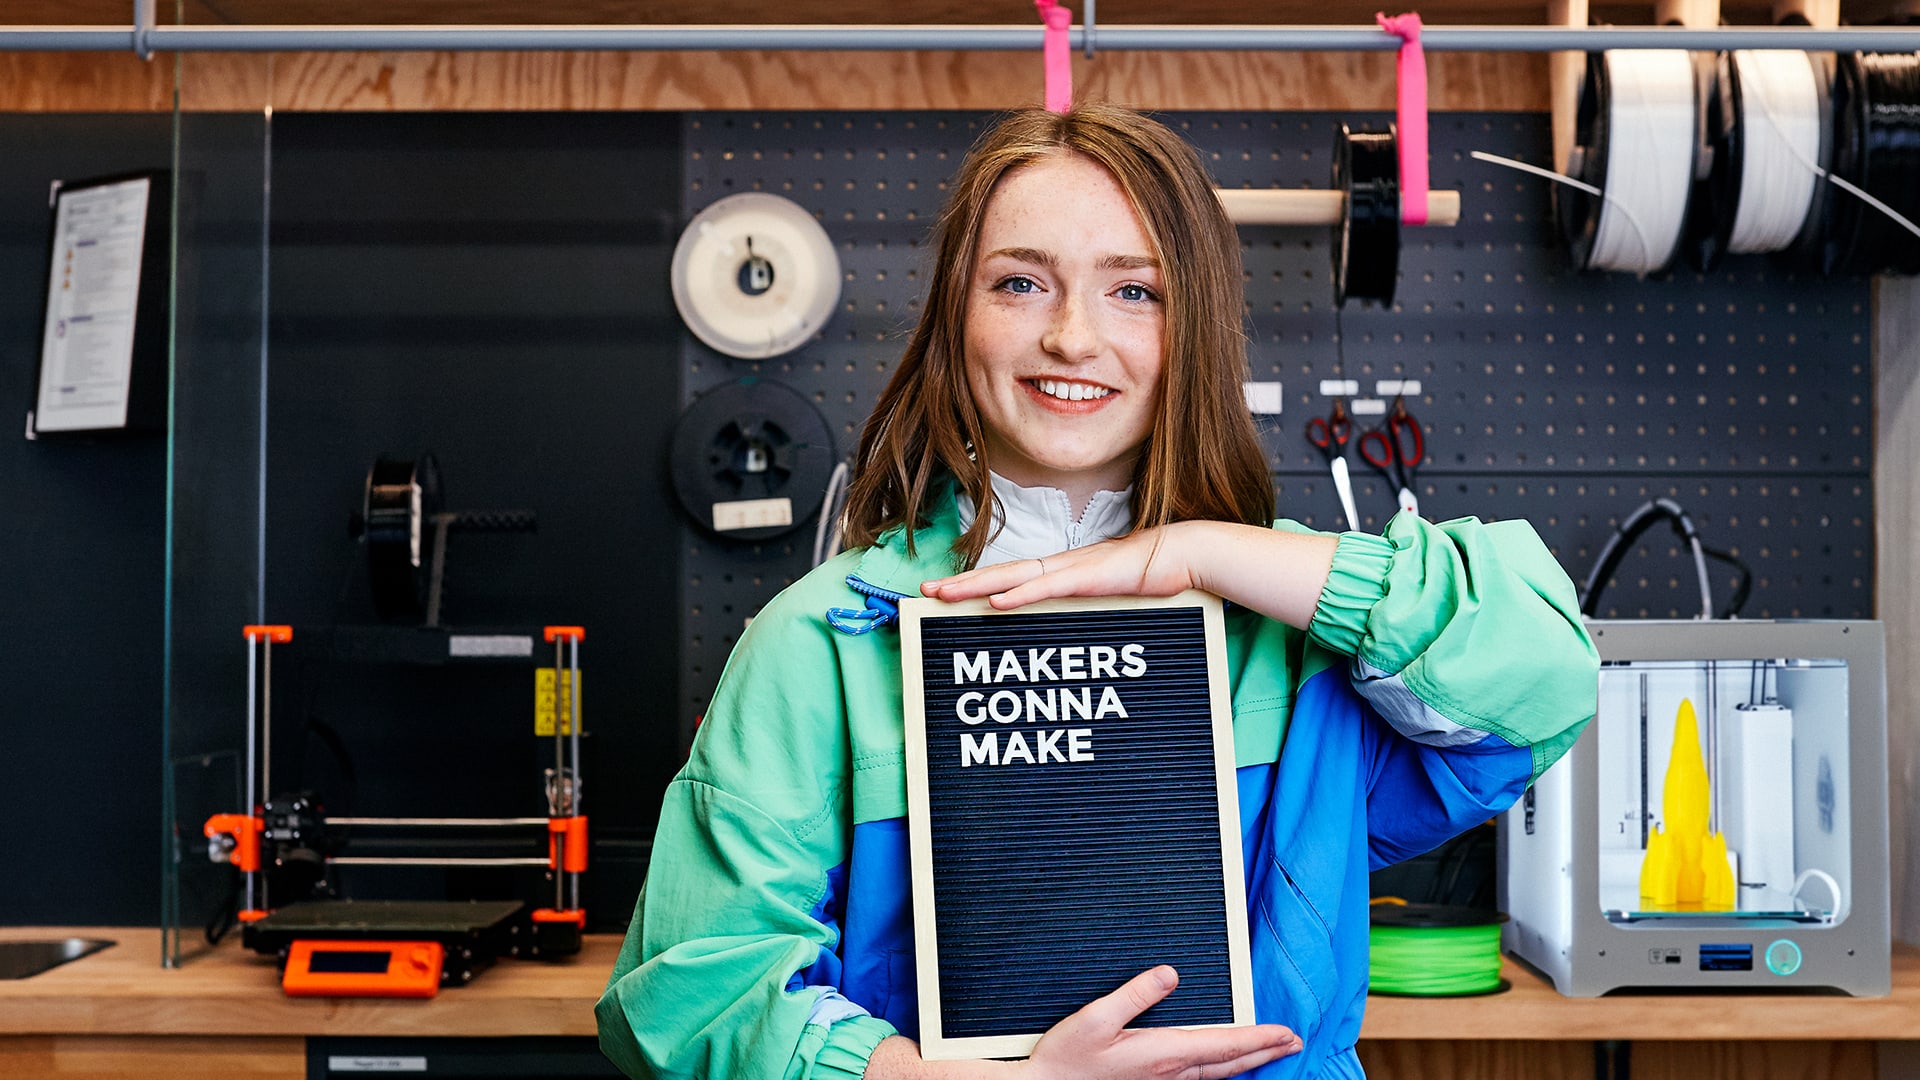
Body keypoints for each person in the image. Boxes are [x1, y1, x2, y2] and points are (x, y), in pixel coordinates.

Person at [597, 102, 1598, 1080]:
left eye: (1135, 291)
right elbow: (692, 997)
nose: (1073, 338)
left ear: (1193, 327)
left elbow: (1542, 685)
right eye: (1021, 282)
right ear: (956, 316)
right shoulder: (821, 643)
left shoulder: (1294, 637)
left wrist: (1203, 555)